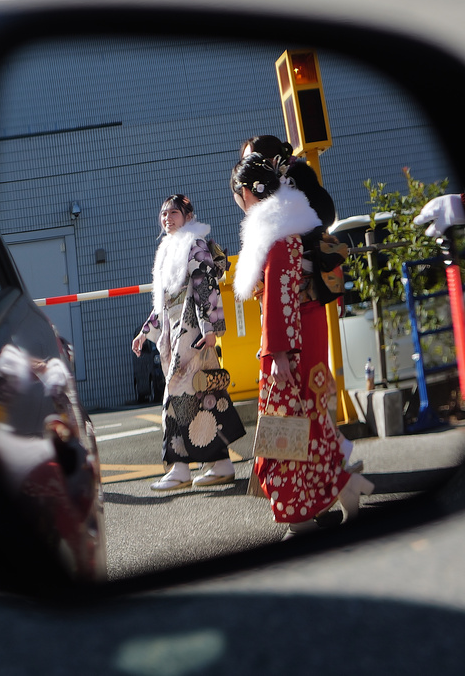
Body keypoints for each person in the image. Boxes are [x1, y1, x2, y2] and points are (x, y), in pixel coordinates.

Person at [231, 155, 373, 536]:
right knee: (313, 423)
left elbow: (279, 301)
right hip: (310, 335)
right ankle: (345, 485)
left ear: (247, 193)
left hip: (287, 346)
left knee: (283, 434)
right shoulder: (300, 226)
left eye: (239, 196)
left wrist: (278, 354)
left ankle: (300, 517)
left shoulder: (276, 238)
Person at [240, 135, 359, 470]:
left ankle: (305, 484)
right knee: (311, 398)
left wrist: (276, 349)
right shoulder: (288, 209)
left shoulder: (281, 229)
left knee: (297, 402)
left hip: (296, 315)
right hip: (306, 310)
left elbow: (278, 291)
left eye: (253, 163)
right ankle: (330, 471)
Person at [132, 194, 247, 491]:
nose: (167, 218)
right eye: (163, 214)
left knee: (176, 395)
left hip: (192, 331)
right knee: (201, 396)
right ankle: (220, 464)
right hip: (177, 329)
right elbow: (164, 301)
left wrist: (210, 328)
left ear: (188, 216)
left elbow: (205, 285)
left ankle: (179, 468)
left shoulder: (194, 244)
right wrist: (146, 332)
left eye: (174, 213)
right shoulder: (169, 248)